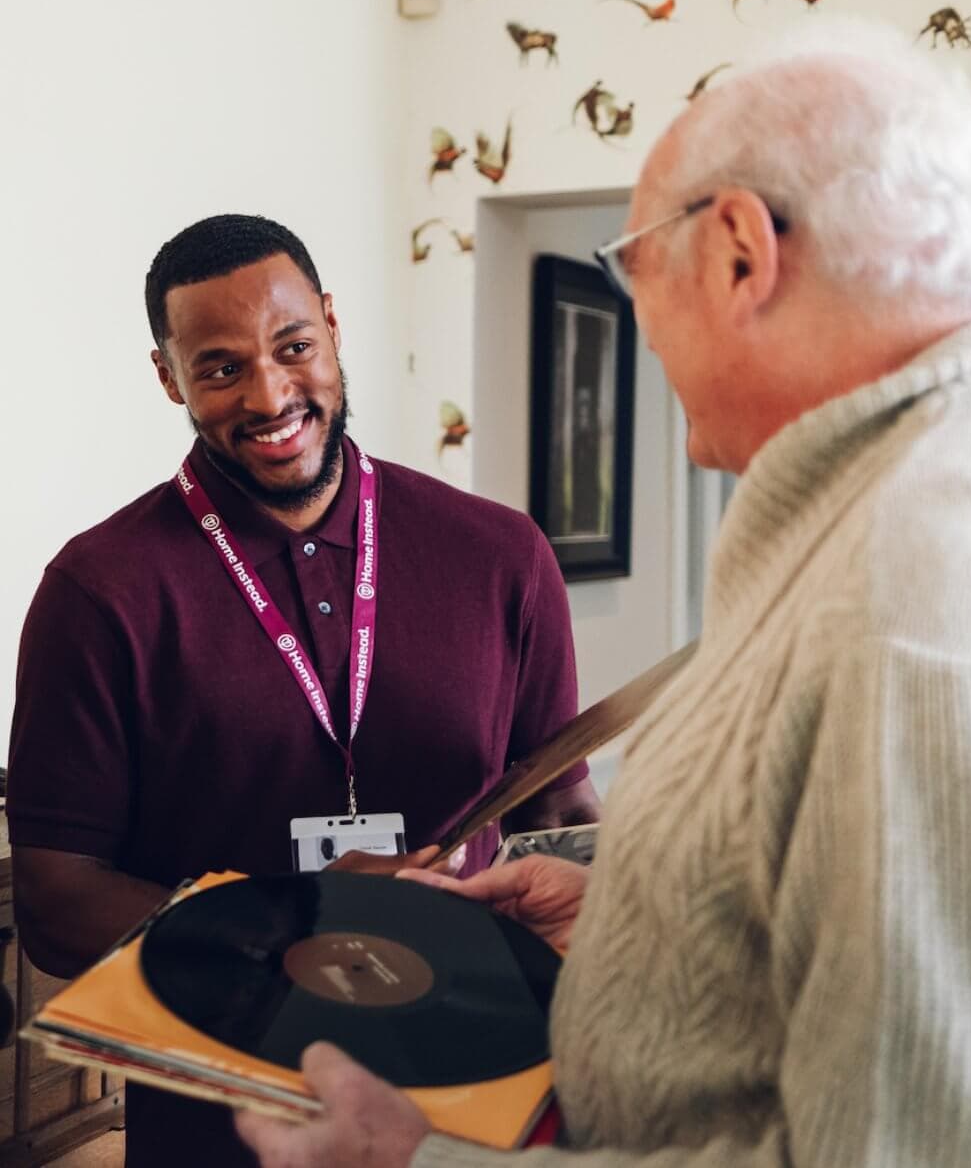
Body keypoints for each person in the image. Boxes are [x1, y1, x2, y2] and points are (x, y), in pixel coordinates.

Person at [238, 20, 971, 1168]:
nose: (638, 318)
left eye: (633, 267)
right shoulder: (950, 491)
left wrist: (416, 1163)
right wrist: (648, 925)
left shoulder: (922, 607)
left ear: (738, 252)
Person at [6, 213, 598, 1168]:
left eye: (293, 347)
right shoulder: (97, 590)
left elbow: (561, 812)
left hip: (478, 1112)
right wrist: (294, 923)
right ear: (169, 377)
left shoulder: (502, 555)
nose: (271, 394)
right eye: (221, 367)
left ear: (330, 323)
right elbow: (55, 901)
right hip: (218, 1127)